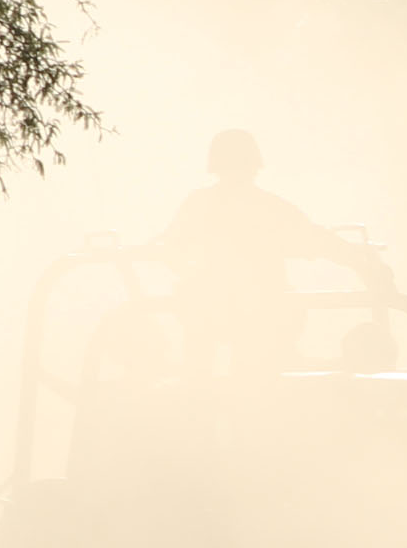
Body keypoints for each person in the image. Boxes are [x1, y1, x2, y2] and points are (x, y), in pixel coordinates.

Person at [158, 130, 392, 375]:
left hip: (225, 313)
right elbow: (318, 240)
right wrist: (366, 265)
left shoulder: (202, 205)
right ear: (255, 165)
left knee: (206, 346)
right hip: (256, 314)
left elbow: (171, 248)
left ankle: (200, 387)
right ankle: (211, 385)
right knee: (246, 364)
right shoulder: (266, 208)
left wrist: (193, 276)